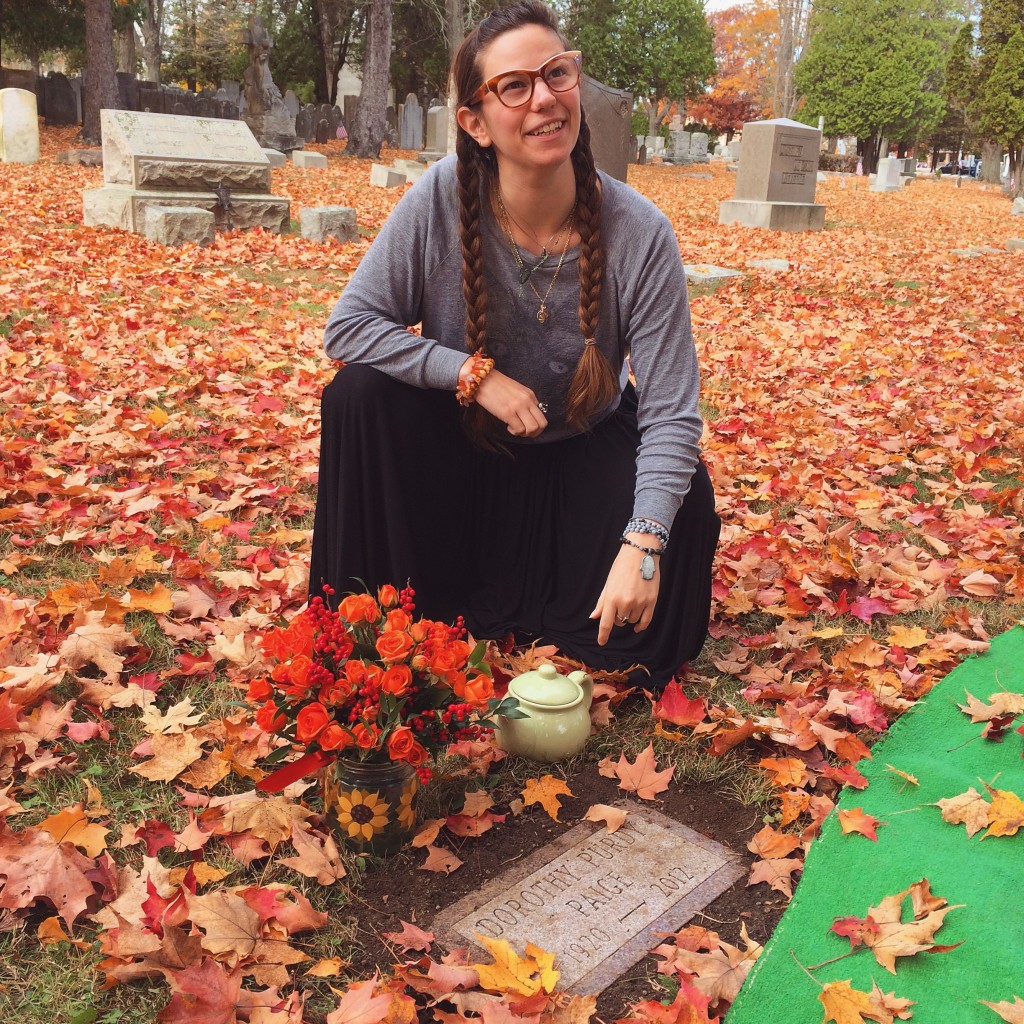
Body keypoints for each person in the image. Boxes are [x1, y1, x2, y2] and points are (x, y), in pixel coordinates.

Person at [309, 0, 720, 691]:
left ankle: (583, 594)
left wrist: (643, 545)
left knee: (686, 511)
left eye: (556, 74)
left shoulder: (638, 230)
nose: (545, 100)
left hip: (581, 457)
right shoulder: (441, 199)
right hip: (465, 454)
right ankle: (375, 608)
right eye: (514, 86)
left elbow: (673, 408)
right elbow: (347, 327)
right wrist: (471, 374)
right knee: (358, 395)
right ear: (474, 121)